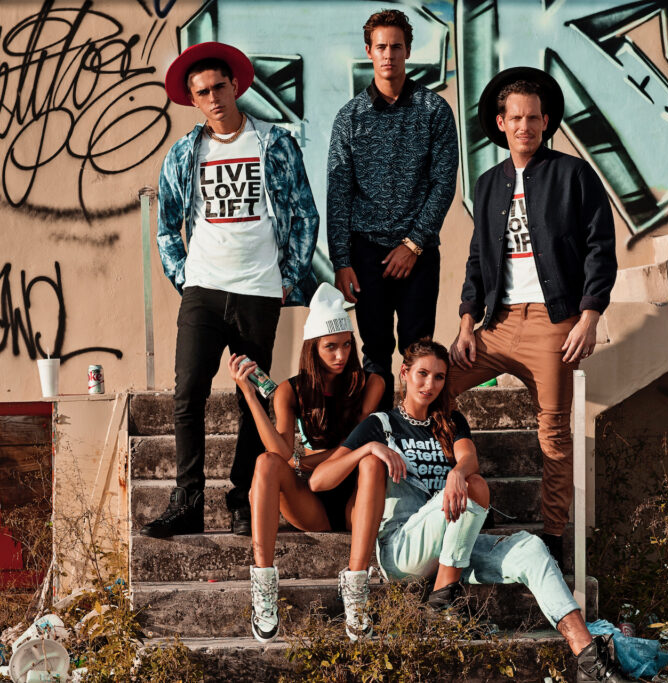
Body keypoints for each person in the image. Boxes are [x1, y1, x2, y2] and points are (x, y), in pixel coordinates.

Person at [311, 340, 628, 682]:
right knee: (448, 481)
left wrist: (457, 473)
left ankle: (588, 658)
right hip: (404, 549)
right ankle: (408, 594)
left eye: (438, 377)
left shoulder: (450, 421)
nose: (429, 384)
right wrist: (369, 448)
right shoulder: (382, 424)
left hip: (454, 547)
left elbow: (469, 459)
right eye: (422, 374)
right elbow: (318, 480)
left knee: (531, 549)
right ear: (404, 373)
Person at [142, 42, 319, 539]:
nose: (214, 98)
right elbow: (166, 227)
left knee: (253, 400)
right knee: (187, 394)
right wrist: (184, 280)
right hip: (203, 289)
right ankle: (188, 501)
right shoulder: (184, 153)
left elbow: (305, 213)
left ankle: (244, 500)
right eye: (202, 92)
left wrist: (286, 280)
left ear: (236, 86)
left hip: (259, 293)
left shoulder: (274, 143)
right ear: (192, 99)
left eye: (220, 87)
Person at [448, 67, 617, 567]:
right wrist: (466, 323)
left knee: (554, 434)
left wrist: (588, 316)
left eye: (534, 118)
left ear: (546, 123)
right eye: (516, 118)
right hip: (498, 325)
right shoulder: (488, 184)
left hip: (553, 321)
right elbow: (477, 258)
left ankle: (554, 536)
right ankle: (461, 495)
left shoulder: (573, 175)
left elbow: (600, 247)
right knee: (431, 391)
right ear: (501, 123)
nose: (525, 126)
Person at [227, 283, 385, 642]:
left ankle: (356, 592)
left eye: (347, 345)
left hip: (355, 499)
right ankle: (264, 589)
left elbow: (359, 443)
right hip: (310, 503)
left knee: (371, 462)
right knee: (265, 463)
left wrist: (308, 460)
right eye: (331, 347)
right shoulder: (290, 390)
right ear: (313, 347)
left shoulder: (371, 383)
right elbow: (281, 453)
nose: (341, 355)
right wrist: (251, 395)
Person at [327, 9, 459, 409]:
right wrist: (341, 261)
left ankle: (421, 430)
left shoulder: (434, 110)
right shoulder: (349, 118)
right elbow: (338, 193)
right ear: (369, 51)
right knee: (375, 351)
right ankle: (379, 432)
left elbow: (443, 183)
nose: (389, 55)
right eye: (381, 47)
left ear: (408, 51)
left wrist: (413, 244)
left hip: (419, 254)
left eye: (396, 47)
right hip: (366, 253)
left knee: (420, 351)